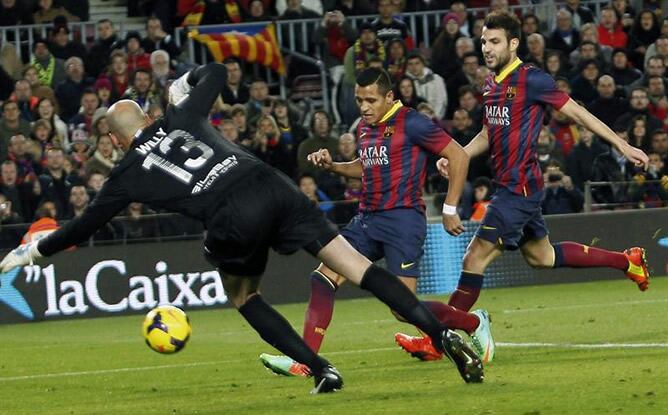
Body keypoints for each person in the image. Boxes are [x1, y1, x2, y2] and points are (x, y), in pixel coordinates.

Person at [0, 63, 484, 393]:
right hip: (270, 185)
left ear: (111, 137)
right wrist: (182, 84)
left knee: (243, 297)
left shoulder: (124, 176)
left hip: (233, 217)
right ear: (147, 116)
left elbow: (81, 228)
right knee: (353, 266)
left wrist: (31, 253)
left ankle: (322, 370)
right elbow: (214, 72)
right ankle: (440, 337)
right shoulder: (181, 113)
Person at [397, 11, 651, 363]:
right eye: (484, 41)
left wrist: (621, 145)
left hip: (520, 189)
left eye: (495, 41)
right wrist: (458, 155)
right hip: (514, 187)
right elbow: (489, 132)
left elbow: (576, 112)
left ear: (513, 43)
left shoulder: (532, 80)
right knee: (541, 257)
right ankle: (628, 261)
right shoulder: (491, 84)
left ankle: (440, 340)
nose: (487, 48)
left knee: (475, 257)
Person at [260, 67, 493, 376]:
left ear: (389, 97)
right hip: (367, 219)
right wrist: (334, 166)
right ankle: (306, 361)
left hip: (403, 222)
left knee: (401, 308)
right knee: (323, 276)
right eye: (359, 100)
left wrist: (450, 207)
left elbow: (458, 155)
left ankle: (473, 322)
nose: (364, 107)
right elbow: (367, 165)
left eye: (371, 100)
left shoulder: (412, 122)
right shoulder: (366, 127)